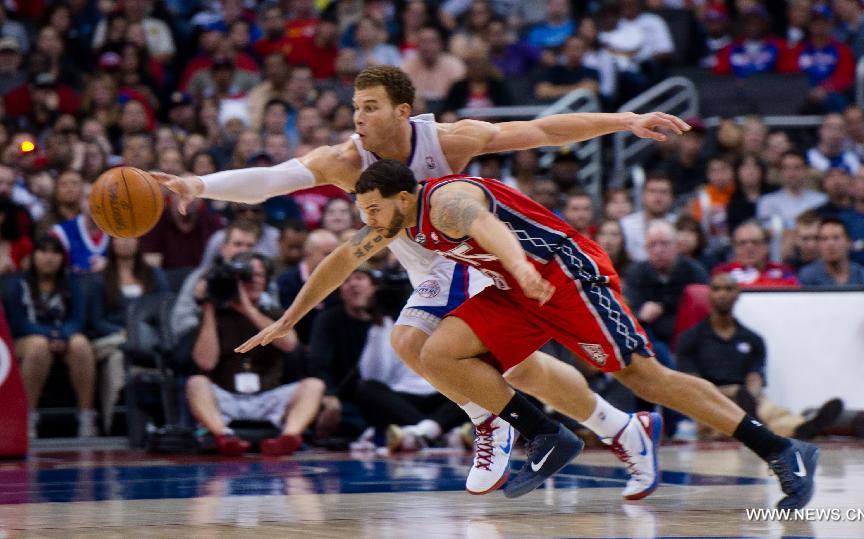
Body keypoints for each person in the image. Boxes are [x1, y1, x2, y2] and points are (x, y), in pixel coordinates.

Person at [151, 64, 689, 498]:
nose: (358, 118)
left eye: (370, 107)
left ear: (402, 111)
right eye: (355, 107)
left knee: (413, 341)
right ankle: (620, 428)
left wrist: (625, 120)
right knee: (520, 369)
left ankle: (492, 422)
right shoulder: (346, 160)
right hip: (424, 264)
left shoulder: (447, 141)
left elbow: (542, 131)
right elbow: (271, 181)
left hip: (474, 254)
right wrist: (198, 184)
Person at [240, 161, 820, 508]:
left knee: (646, 376)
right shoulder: (395, 223)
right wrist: (289, 319)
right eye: (362, 210)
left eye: (371, 208)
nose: (367, 221)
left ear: (400, 195)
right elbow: (341, 260)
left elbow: (486, 224)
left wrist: (517, 265)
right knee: (433, 350)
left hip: (564, 278)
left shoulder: (446, 200)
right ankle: (545, 435)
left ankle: (780, 448)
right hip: (516, 289)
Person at [187, 253, 325, 457]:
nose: (255, 280)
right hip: (226, 396)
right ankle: (224, 436)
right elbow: (205, 362)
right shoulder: (215, 315)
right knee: (196, 383)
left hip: (268, 396)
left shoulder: (274, 313)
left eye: (260, 275)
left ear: (267, 280)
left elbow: (290, 345)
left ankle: (288, 438)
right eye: (247, 276)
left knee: (314, 385)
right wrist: (208, 306)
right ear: (235, 281)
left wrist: (248, 309)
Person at [678, 273, 844, 440]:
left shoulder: (753, 339)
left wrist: (749, 397)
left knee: (772, 411)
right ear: (709, 294)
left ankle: (802, 425)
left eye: (728, 289)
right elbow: (694, 387)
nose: (722, 294)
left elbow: (755, 377)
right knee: (722, 421)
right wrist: (734, 393)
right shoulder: (690, 339)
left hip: (748, 399)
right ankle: (788, 428)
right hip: (713, 400)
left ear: (737, 294)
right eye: (716, 289)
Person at [4, 235, 96, 438]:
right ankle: (28, 417)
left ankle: (86, 417)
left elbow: (78, 319)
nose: (49, 257)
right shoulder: (18, 283)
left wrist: (61, 335)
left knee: (81, 344)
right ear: (33, 256)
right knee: (39, 346)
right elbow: (18, 323)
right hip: (26, 339)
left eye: (55, 252)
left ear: (62, 258)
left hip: (65, 337)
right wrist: (50, 335)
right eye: (43, 251)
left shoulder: (72, 282)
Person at [87, 237, 169, 433]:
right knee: (118, 357)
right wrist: (120, 331)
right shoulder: (101, 278)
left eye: (130, 237)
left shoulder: (154, 275)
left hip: (148, 338)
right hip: (113, 338)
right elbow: (96, 320)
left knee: (130, 355)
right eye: (119, 238)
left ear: (139, 242)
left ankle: (161, 417)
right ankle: (115, 417)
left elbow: (166, 308)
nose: (125, 242)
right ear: (112, 243)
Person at [624, 220, 710, 345]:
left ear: (676, 246)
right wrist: (640, 315)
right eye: (652, 245)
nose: (658, 250)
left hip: (689, 336)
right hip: (651, 340)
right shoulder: (636, 272)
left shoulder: (694, 270)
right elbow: (628, 311)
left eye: (664, 244)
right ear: (646, 249)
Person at [714, 220, 800, 287]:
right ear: (735, 247)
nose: (749, 248)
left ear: (766, 246)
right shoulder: (723, 273)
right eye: (742, 243)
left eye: (755, 242)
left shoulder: (784, 272)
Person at [798, 217, 864, 286]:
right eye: (824, 239)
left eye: (836, 238)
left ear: (849, 242)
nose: (830, 244)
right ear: (819, 244)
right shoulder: (807, 277)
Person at [757, 151, 827, 230]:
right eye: (786, 168)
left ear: (806, 171)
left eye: (796, 168)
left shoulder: (821, 200)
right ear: (780, 172)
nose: (791, 173)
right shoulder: (767, 202)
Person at [620, 173, 676, 262]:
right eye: (652, 191)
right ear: (643, 196)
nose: (658, 197)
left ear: (672, 197)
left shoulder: (678, 224)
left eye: (663, 192)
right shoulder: (626, 225)